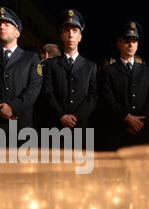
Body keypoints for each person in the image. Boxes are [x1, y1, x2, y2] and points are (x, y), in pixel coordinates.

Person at [0, 7, 42, 144]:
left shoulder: (30, 58)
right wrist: (1, 108)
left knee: (23, 165)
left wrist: (13, 107)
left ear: (17, 33)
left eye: (7, 24)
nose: (2, 27)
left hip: (22, 124)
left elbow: (34, 87)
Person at [43, 9, 98, 146]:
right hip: (56, 128)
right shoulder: (51, 64)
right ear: (61, 35)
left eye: (75, 31)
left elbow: (94, 95)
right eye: (67, 30)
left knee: (80, 166)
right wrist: (61, 115)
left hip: (81, 129)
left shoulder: (90, 66)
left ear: (80, 36)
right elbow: (47, 92)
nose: (71, 35)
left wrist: (76, 116)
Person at [100, 21, 149, 149]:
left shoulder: (147, 71)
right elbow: (107, 100)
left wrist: (140, 123)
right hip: (118, 133)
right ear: (119, 43)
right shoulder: (109, 71)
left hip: (141, 134)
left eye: (134, 41)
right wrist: (127, 118)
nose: (131, 44)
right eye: (127, 40)